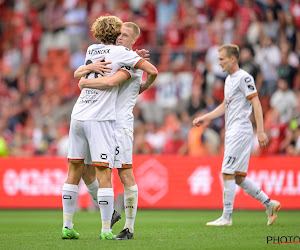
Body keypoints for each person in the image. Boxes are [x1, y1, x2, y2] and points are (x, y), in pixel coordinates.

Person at [62, 16, 156, 240]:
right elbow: (81, 73)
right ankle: (110, 213)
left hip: (118, 123)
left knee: (123, 172)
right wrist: (86, 71)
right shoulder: (115, 55)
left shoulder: (129, 59)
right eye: (119, 33)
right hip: (100, 119)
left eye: (125, 35)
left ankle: (129, 228)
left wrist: (85, 81)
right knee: (85, 170)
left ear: (133, 40)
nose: (120, 37)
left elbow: (111, 81)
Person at [193, 44, 281, 226]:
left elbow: (256, 103)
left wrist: (261, 130)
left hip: (240, 129)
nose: (219, 63)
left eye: (222, 59)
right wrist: (205, 118)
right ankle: (269, 203)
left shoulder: (244, 77)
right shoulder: (229, 80)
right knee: (238, 177)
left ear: (233, 59)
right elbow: (226, 106)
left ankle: (226, 217)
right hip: (233, 130)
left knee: (226, 173)